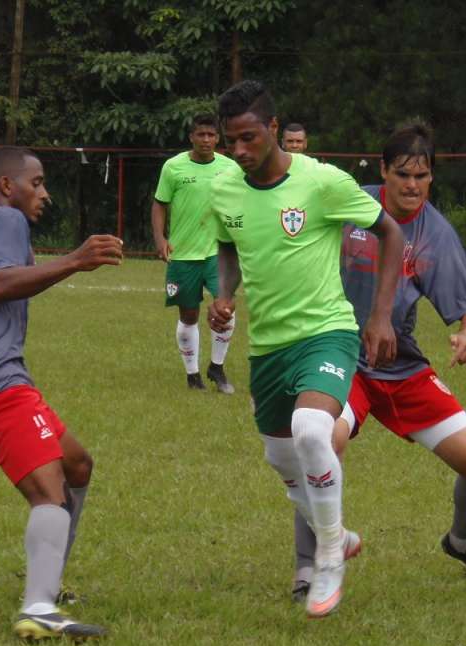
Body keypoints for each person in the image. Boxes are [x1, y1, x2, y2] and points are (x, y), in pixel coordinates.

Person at [208, 81, 405, 618]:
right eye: (232, 142)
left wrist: (381, 315)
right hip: (268, 347)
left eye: (250, 138)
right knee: (282, 460)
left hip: (326, 332)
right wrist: (225, 295)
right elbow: (228, 242)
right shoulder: (226, 188)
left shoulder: (321, 181)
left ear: (273, 129)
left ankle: (327, 557)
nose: (241, 151)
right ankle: (337, 533)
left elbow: (391, 233)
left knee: (312, 432)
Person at [0, 147, 124, 642]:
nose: (44, 193)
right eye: (36, 183)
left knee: (77, 464)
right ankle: (38, 607)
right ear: (6, 186)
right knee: (50, 490)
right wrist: (76, 260)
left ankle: (49, 584)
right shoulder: (5, 221)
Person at [306, 120, 466, 589]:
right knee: (323, 439)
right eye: (402, 175)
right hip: (341, 355)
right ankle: (320, 556)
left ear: (432, 176)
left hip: (399, 365)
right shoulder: (349, 203)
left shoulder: (436, 234)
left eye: (421, 176)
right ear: (384, 172)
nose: (412, 186)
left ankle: (460, 542)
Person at [152, 114, 240, 393]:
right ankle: (193, 376)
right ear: (191, 136)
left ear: (218, 138)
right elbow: (159, 204)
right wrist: (160, 238)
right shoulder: (173, 167)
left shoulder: (229, 168)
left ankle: (217, 367)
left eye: (211, 135)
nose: (206, 140)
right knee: (188, 315)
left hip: (218, 252)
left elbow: (240, 203)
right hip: (183, 253)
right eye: (200, 134)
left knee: (225, 308)